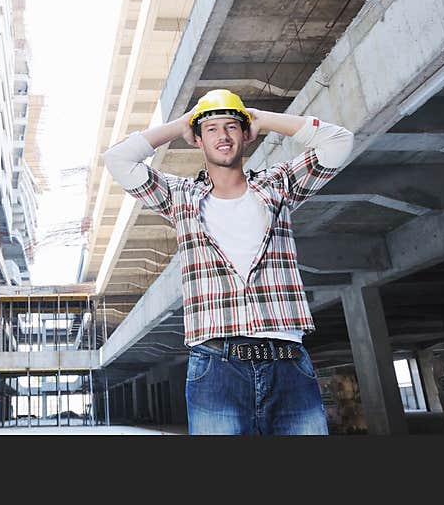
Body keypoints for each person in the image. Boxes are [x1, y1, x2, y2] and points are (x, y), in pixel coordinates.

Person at [103, 89, 353, 435]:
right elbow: (118, 159)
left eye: (232, 127)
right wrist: (181, 124)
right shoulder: (180, 197)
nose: (222, 136)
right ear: (199, 140)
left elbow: (338, 141)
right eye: (211, 129)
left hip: (289, 361)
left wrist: (262, 119)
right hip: (216, 366)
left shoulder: (276, 186)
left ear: (245, 134)